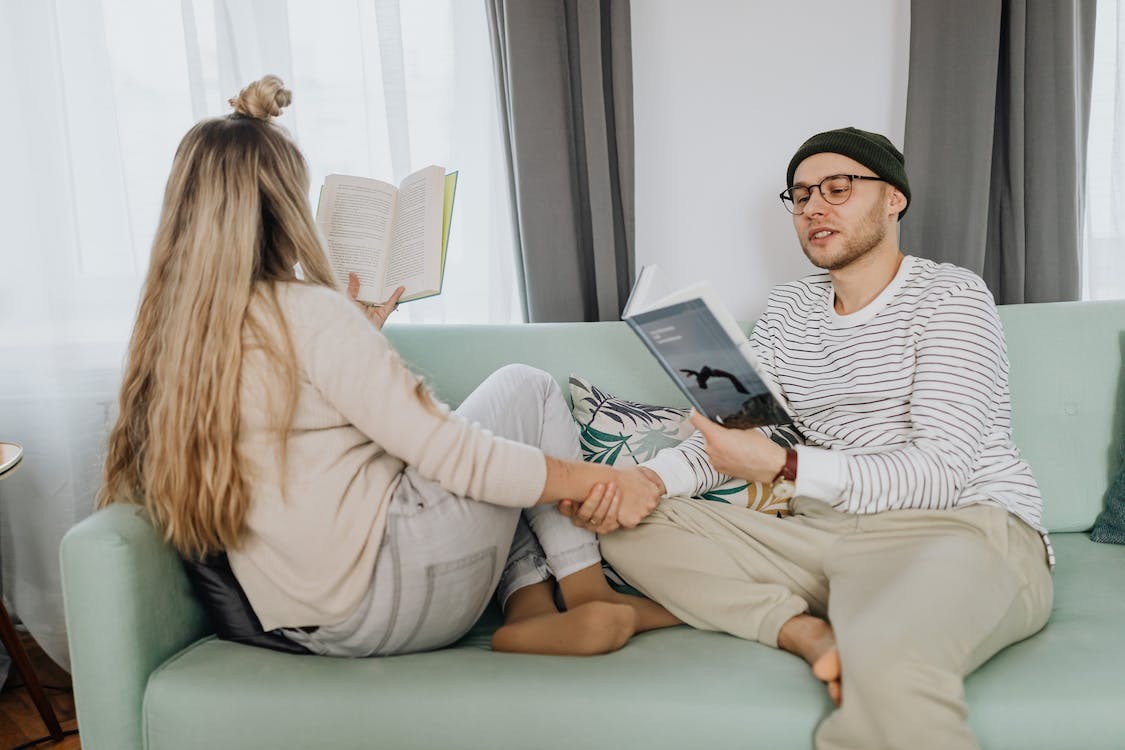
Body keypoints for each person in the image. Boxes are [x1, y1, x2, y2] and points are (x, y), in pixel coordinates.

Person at [97, 75, 677, 659]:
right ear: (284, 210)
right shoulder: (307, 315)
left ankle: (527, 603)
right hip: (401, 592)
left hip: (316, 628)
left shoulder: (177, 337)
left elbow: (295, 430)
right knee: (523, 393)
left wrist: (356, 336)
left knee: (507, 456)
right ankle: (589, 592)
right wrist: (610, 482)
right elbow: (455, 455)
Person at [590, 127, 1054, 749]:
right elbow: (734, 439)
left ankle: (841, 622)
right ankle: (805, 628)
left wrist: (782, 465)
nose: (814, 206)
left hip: (957, 529)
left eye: (838, 188)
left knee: (890, 664)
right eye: (801, 195)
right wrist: (648, 479)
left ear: (894, 200)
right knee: (627, 522)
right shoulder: (786, 312)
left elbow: (941, 471)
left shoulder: (951, 295)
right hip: (819, 538)